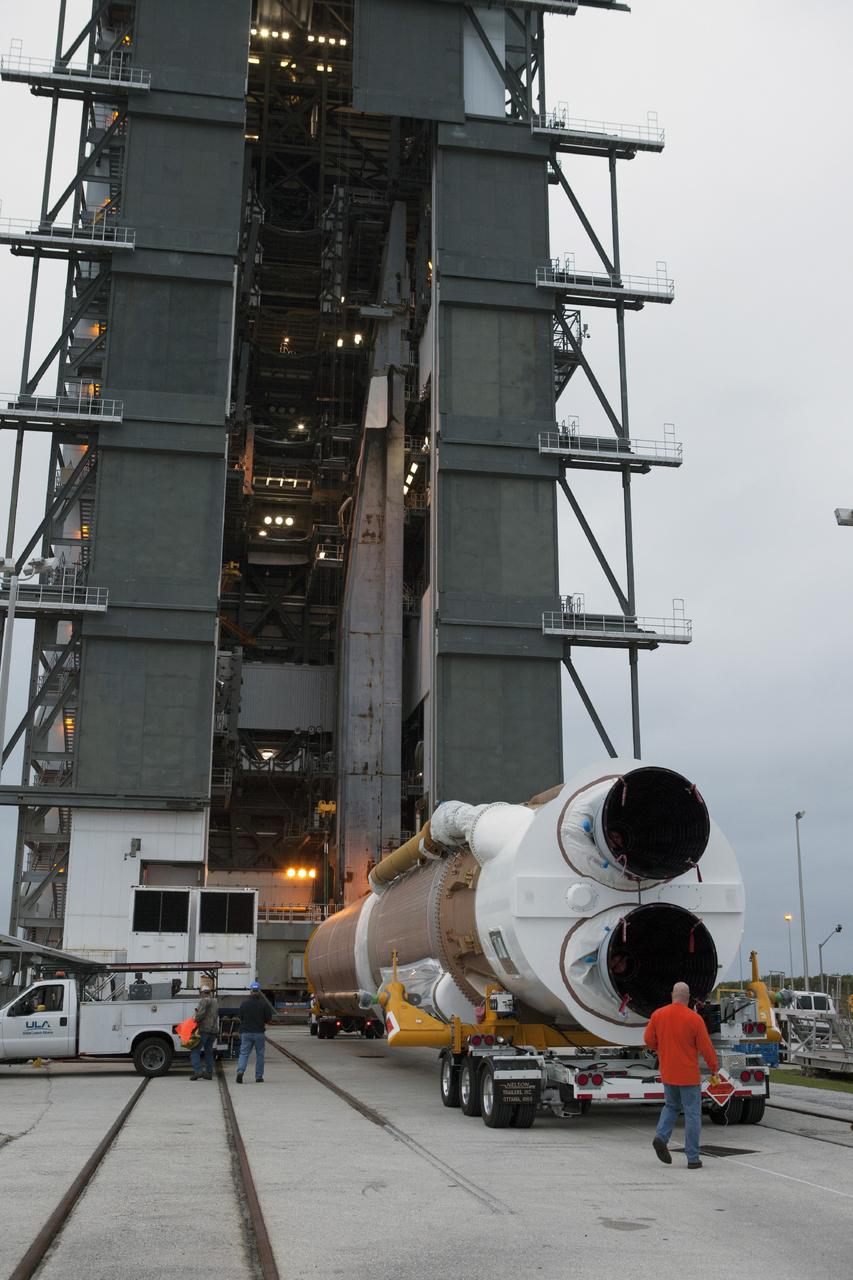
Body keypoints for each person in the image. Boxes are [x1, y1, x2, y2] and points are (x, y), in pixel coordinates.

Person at [643, 980, 719, 1170]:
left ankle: (661, 1137)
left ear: (672, 995)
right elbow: (706, 1048)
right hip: (688, 1075)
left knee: (671, 1106)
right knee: (692, 1114)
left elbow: (648, 1039)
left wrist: (661, 1048)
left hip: (668, 1072)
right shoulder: (694, 1019)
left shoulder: (658, 1015)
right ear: (688, 997)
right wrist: (714, 1068)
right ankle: (693, 1158)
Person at [235, 981, 274, 1083]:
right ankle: (259, 1076)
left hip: (246, 1032)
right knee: (260, 1054)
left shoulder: (244, 1004)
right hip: (259, 1033)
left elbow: (240, 1017)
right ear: (259, 991)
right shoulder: (264, 1004)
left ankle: (240, 1072)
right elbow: (268, 1019)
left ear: (251, 991)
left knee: (244, 1053)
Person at [190, 980, 219, 1081]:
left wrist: (194, 1020)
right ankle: (209, 1073)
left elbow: (200, 1015)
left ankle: (198, 1071)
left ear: (202, 993)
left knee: (195, 1050)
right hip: (213, 1031)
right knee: (208, 1052)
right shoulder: (215, 1002)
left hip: (204, 1030)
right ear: (209, 992)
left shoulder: (204, 1001)